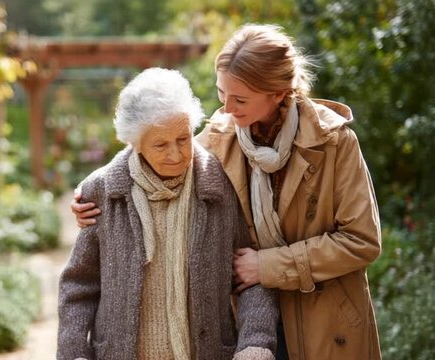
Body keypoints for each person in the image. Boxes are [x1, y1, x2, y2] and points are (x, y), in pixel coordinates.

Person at [71, 24, 382, 360]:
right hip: (248, 324)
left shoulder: (335, 142)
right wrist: (94, 191)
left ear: (277, 92)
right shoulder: (219, 140)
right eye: (222, 94)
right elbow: (152, 154)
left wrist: (268, 265)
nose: (227, 109)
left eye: (240, 98)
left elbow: (362, 240)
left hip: (325, 320)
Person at [58, 67, 278, 360]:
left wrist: (255, 343)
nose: (176, 155)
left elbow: (251, 275)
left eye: (183, 139)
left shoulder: (220, 187)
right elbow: (78, 285)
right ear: (135, 143)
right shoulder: (103, 191)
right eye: (161, 144)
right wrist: (73, 352)